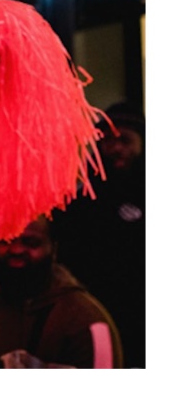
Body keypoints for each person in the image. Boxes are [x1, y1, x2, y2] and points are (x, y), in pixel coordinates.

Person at [0, 216, 122, 368]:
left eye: (30, 242)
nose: (16, 249)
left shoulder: (85, 322)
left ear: (53, 247)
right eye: (5, 239)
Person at [52, 101, 144, 366]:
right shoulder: (82, 198)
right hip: (91, 314)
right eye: (108, 140)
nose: (116, 148)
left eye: (125, 140)